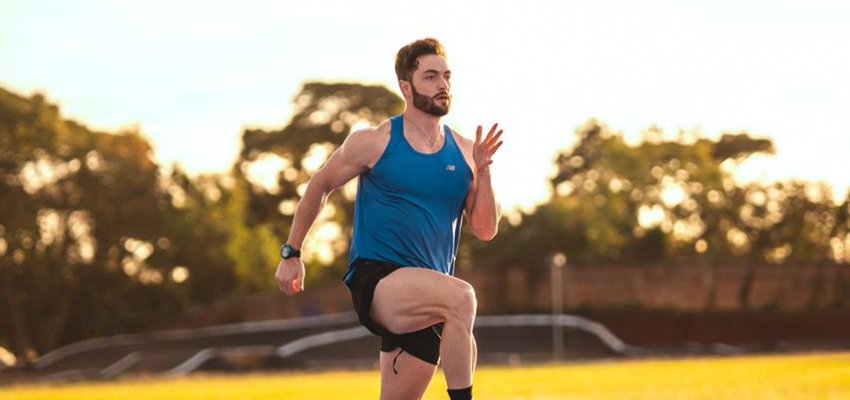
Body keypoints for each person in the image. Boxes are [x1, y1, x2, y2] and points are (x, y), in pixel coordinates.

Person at [275, 37, 503, 400]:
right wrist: (293, 252)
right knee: (463, 298)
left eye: (446, 76)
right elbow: (319, 185)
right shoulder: (375, 141)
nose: (442, 84)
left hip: (429, 295)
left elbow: (485, 229)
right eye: (430, 76)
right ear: (406, 87)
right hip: (378, 279)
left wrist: (485, 172)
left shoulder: (465, 152)